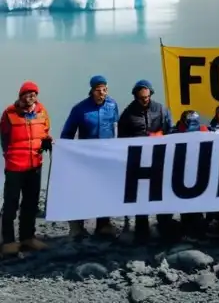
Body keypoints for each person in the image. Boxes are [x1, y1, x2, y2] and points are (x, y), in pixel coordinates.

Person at [60, 75, 119, 240]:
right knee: (83, 190)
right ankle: (78, 227)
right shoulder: (80, 109)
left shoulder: (113, 105)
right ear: (92, 91)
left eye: (105, 89)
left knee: (104, 189)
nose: (102, 93)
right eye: (98, 90)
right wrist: (66, 150)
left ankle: (103, 224)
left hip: (106, 156)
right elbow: (68, 132)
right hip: (86, 157)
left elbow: (116, 127)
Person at [118, 79, 173, 243]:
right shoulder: (128, 114)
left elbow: (170, 131)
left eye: (147, 97)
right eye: (142, 98)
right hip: (138, 161)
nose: (145, 100)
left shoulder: (161, 109)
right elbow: (122, 138)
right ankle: (142, 232)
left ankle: (165, 229)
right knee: (141, 196)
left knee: (161, 194)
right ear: (135, 96)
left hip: (159, 158)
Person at [0, 82, 51, 257]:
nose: (31, 97)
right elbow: (4, 137)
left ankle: (27, 238)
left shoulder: (42, 112)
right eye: (27, 94)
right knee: (10, 204)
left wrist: (47, 140)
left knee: (31, 203)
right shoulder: (9, 113)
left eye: (34, 94)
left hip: (34, 166)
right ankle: (8, 242)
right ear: (21, 96)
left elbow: (45, 131)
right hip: (15, 166)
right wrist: (8, 155)